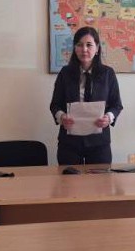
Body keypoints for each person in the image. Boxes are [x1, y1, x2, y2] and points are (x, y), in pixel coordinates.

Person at [50, 26, 123, 165]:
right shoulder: (65, 73)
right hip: (69, 143)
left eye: (89, 45)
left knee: (100, 179)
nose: (84, 49)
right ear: (75, 48)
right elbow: (55, 104)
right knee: (69, 179)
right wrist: (61, 117)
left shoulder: (108, 74)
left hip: (99, 143)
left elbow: (116, 105)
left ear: (97, 48)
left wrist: (109, 117)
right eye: (79, 45)